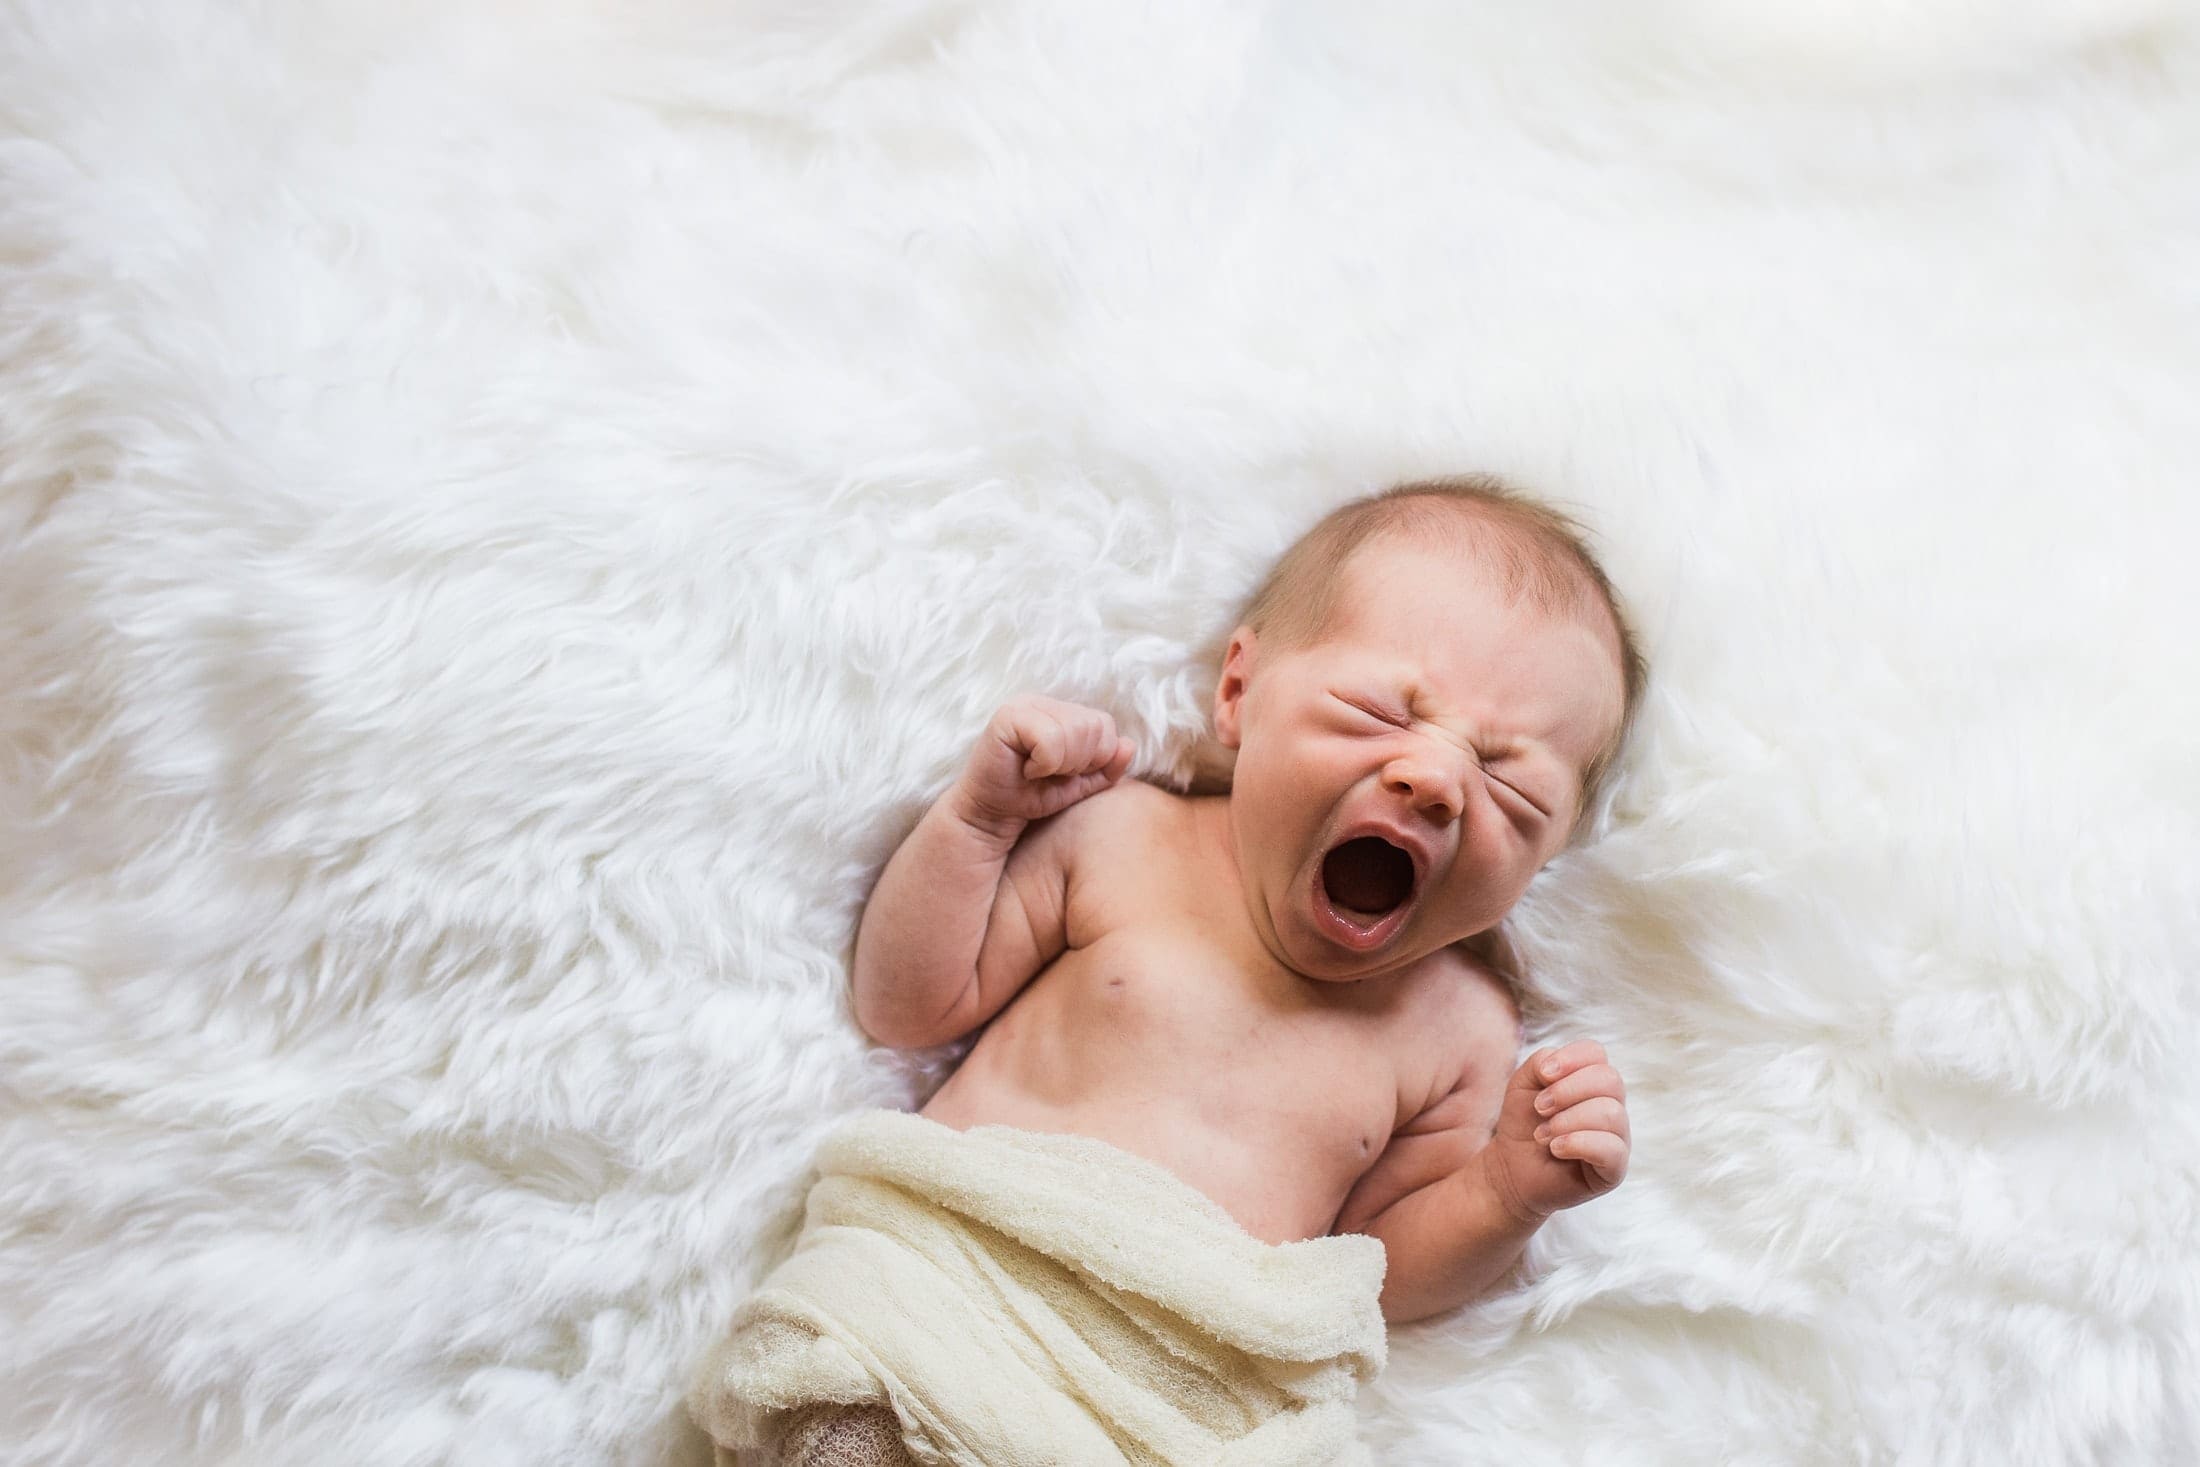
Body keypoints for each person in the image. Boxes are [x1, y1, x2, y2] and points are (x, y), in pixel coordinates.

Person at [694, 475, 1648, 1467]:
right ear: (1240, 693)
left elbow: (1382, 1275)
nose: (1435, 780)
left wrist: (1506, 1191)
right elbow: (905, 1004)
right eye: (1377, 713)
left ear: (1546, 859)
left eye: (1507, 781)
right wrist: (976, 822)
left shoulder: (1460, 1031)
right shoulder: (1125, 842)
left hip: (1172, 1410)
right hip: (939, 1312)